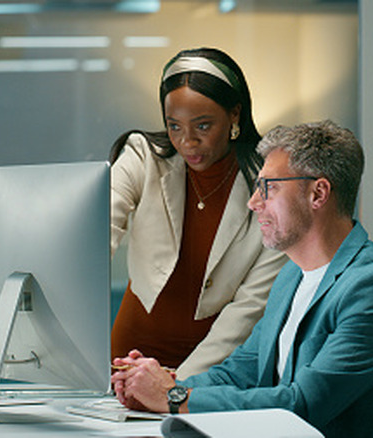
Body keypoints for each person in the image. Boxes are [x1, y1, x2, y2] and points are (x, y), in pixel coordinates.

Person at [111, 120, 373, 437]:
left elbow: (301, 407)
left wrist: (173, 398)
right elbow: (239, 371)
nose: (253, 203)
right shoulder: (291, 277)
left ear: (318, 193)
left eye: (269, 188)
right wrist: (160, 386)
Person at [109, 47, 287, 379]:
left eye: (203, 126)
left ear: (235, 114)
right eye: (174, 126)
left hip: (217, 364)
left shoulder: (270, 187)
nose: (187, 141)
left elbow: (250, 307)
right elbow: (96, 231)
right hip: (129, 356)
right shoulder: (142, 156)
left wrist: (176, 384)